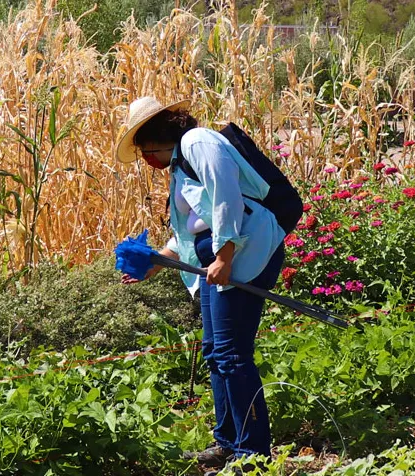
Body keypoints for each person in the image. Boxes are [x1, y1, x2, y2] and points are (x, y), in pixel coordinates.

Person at [116, 96, 286, 473]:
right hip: (217, 259)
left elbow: (225, 197)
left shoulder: (198, 142)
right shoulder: (181, 165)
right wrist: (156, 263)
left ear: (159, 138)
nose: (149, 161)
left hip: (244, 252)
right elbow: (190, 230)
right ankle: (228, 443)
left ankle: (253, 455)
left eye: (147, 152)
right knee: (215, 351)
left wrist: (225, 255)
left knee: (232, 353)